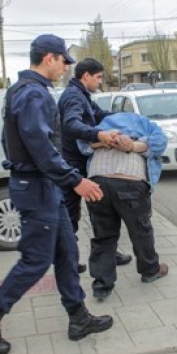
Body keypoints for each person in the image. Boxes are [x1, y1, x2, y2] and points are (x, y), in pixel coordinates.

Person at [0, 34, 113, 354]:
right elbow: (42, 148)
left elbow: (15, 143)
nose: (65, 69)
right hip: (36, 188)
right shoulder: (33, 95)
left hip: (44, 187)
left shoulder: (24, 91)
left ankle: (78, 317)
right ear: (49, 58)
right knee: (36, 261)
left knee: (66, 253)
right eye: (63, 62)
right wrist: (75, 180)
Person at [78, 112, 169, 300]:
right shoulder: (144, 123)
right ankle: (150, 270)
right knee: (140, 230)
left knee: (103, 236)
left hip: (97, 182)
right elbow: (160, 142)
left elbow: (82, 145)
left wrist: (103, 142)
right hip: (131, 181)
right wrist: (134, 146)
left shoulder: (100, 127)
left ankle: (102, 285)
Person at [58, 58, 132, 273]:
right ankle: (68, 263)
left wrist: (128, 118)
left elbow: (99, 115)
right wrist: (98, 134)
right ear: (86, 76)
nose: (100, 82)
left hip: (81, 163)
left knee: (99, 212)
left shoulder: (81, 95)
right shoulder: (73, 96)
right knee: (72, 216)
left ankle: (106, 253)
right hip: (73, 165)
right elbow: (71, 124)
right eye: (98, 77)